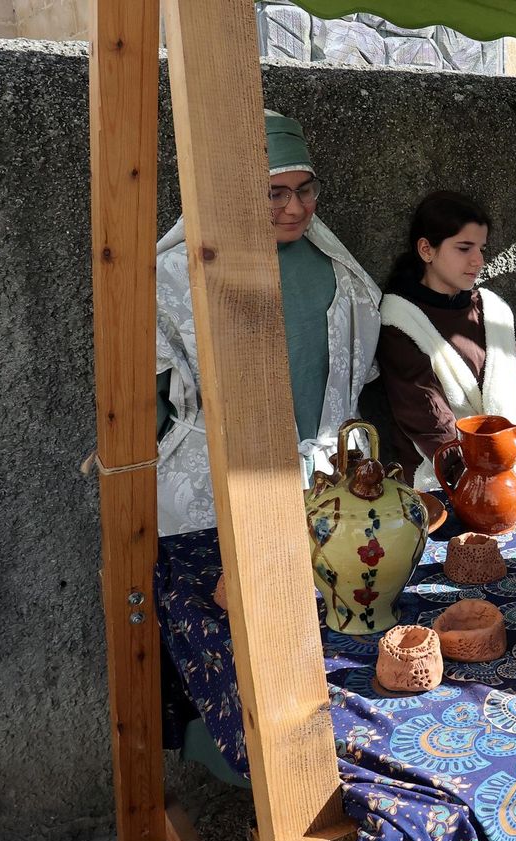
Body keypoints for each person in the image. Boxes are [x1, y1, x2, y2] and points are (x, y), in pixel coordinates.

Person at [155, 110, 382, 536]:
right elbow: (147, 403)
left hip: (338, 484)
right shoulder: (175, 276)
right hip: (218, 490)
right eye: (273, 193)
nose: (295, 208)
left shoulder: (341, 274)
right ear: (234, 189)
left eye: (304, 190)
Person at [376, 190, 516, 489]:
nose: (478, 261)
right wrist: (477, 482)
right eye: (464, 248)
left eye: (481, 248)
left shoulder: (493, 309)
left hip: (510, 468)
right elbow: (427, 416)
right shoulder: (400, 320)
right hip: (442, 478)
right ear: (427, 250)